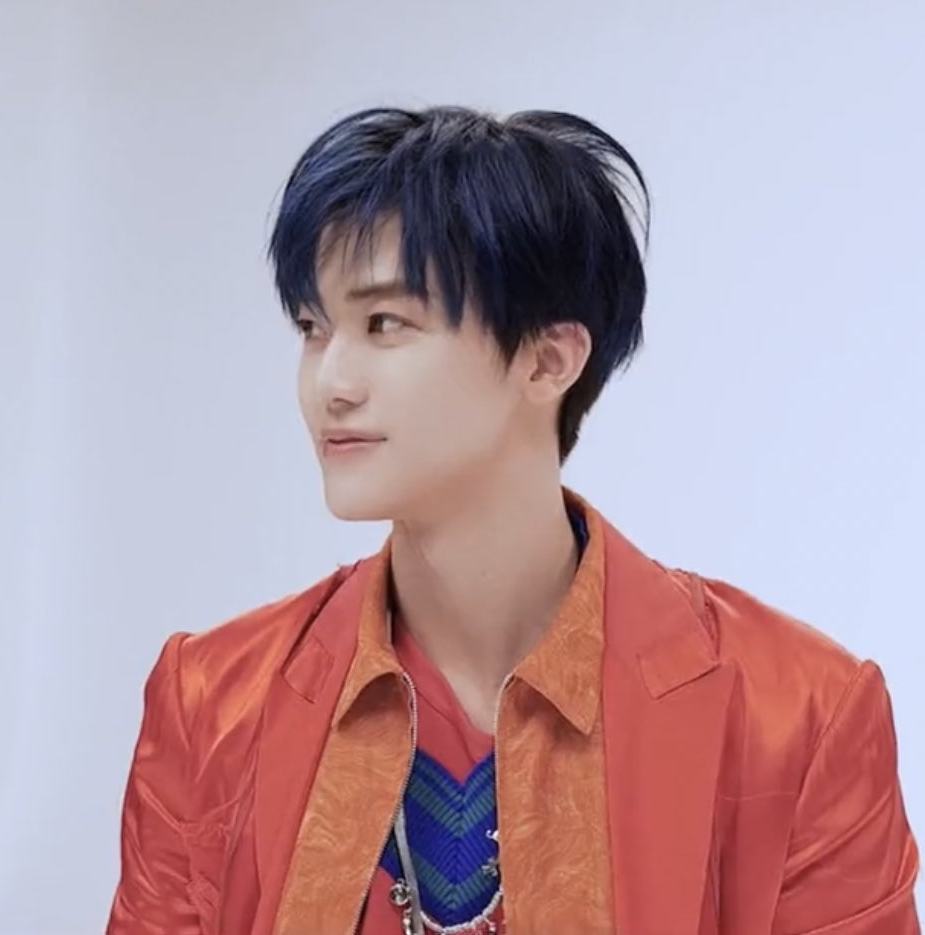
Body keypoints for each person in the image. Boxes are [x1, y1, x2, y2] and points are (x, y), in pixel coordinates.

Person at [105, 106, 920, 935]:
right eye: (313, 328)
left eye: (384, 324)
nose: (329, 382)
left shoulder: (798, 713)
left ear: (547, 359)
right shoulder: (213, 700)